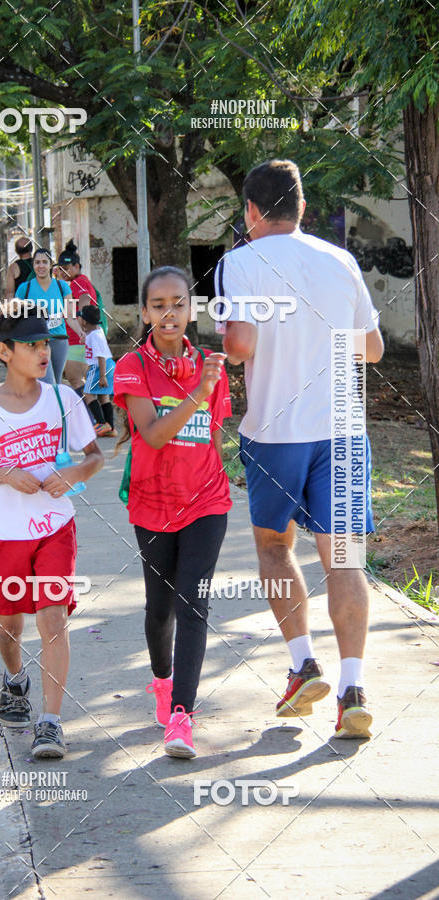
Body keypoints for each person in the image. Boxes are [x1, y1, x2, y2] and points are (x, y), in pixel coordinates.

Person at [217, 159, 384, 740]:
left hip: (276, 431)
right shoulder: (341, 260)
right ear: (302, 208)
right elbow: (373, 349)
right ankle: (354, 689)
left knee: (273, 547)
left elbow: (239, 345)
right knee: (345, 558)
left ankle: (303, 665)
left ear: (250, 211)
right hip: (343, 428)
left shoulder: (239, 262)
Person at [0, 305, 103, 758]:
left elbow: (95, 456)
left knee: (52, 616)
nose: (43, 352)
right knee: (7, 622)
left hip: (55, 527)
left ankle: (51, 722)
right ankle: (15, 679)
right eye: (32, 345)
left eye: (45, 344)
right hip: (4, 532)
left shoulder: (63, 399)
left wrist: (74, 473)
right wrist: (5, 474)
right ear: (3, 352)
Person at [113, 266, 232, 759]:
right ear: (144, 313)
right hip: (153, 504)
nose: (169, 313)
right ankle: (162, 682)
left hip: (207, 501)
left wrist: (221, 481)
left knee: (193, 604)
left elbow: (215, 435)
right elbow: (154, 434)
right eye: (158, 305)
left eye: (179, 303)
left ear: (191, 308)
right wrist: (197, 393)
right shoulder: (131, 366)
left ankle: (182, 717)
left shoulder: (210, 365)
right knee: (159, 608)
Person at [14, 247, 83, 385]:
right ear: (33, 265)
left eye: (45, 262)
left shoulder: (62, 286)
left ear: (51, 264)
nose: (41, 266)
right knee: (47, 382)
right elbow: (16, 317)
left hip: (59, 340)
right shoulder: (24, 288)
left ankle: (53, 401)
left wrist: (80, 332)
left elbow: (70, 316)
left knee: (56, 383)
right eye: (37, 262)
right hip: (36, 341)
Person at [56, 240, 100, 399]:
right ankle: (94, 412)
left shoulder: (78, 283)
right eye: (60, 269)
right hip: (83, 339)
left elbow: (84, 306)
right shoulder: (81, 281)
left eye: (66, 268)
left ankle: (89, 412)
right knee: (87, 384)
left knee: (76, 380)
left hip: (77, 340)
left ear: (76, 266)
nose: (63, 272)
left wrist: (82, 328)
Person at [79, 305, 117, 437]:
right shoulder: (97, 331)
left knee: (87, 393)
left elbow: (100, 356)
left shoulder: (94, 336)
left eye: (80, 318)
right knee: (103, 396)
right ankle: (110, 427)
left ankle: (101, 423)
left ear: (85, 322)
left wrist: (102, 376)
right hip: (110, 365)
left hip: (100, 367)